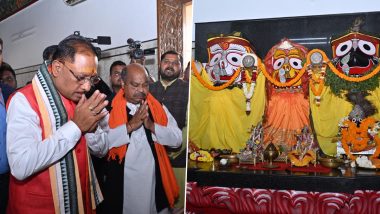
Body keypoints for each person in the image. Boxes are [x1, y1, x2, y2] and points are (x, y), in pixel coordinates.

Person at [6, 35, 110, 213]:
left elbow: (102, 151)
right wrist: (76, 127)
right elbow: (20, 165)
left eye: (91, 79)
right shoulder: (23, 100)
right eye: (80, 77)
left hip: (80, 201)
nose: (86, 87)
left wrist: (90, 129)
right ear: (57, 68)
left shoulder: (80, 98)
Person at [102, 63, 181, 214]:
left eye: (145, 85)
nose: (141, 90)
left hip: (152, 181)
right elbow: (100, 146)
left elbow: (177, 139)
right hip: (123, 184)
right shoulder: (108, 110)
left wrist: (152, 126)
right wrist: (130, 126)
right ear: (123, 84)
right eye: (135, 85)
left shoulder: (157, 107)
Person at [149, 50, 189, 210]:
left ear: (180, 67)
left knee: (178, 207)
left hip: (178, 160)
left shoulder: (188, 89)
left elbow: (190, 123)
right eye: (167, 61)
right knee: (155, 204)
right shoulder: (148, 89)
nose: (170, 65)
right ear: (160, 64)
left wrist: (178, 149)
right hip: (153, 159)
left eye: (175, 63)